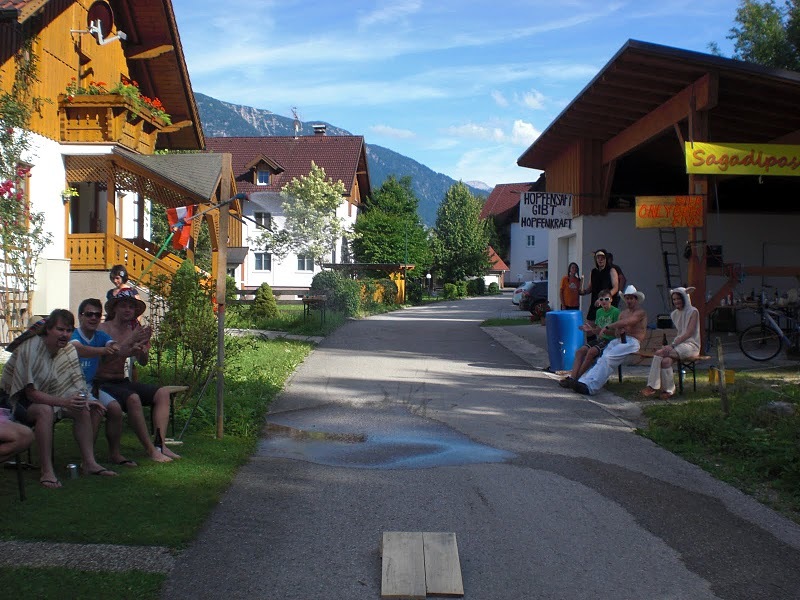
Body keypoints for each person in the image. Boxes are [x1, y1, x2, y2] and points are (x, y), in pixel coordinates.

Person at [0, 309, 117, 487]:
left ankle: (89, 463)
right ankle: (47, 471)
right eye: (60, 329)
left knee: (82, 408)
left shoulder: (68, 349)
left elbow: (75, 381)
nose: (65, 334)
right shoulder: (31, 347)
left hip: (50, 395)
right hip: (15, 400)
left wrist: (86, 400)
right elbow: (31, 393)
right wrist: (64, 402)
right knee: (45, 411)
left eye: (69, 330)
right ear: (48, 329)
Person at [96, 289, 179, 462]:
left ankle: (160, 444)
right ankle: (151, 450)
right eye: (124, 306)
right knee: (133, 398)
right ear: (115, 308)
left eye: (131, 307)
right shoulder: (103, 329)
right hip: (102, 382)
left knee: (162, 392)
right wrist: (131, 339)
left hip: (122, 381)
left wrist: (142, 348)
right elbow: (104, 359)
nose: (128, 310)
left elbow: (143, 362)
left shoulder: (134, 330)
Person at [71, 298, 137, 467]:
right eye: (89, 314)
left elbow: (115, 346)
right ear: (80, 316)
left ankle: (114, 454)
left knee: (115, 408)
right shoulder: (74, 334)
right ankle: (88, 459)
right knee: (95, 409)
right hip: (70, 387)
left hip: (89, 387)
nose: (93, 318)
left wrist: (129, 346)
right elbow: (79, 349)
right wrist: (104, 350)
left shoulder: (100, 336)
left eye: (97, 314)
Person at [574, 285, 648, 396]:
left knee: (608, 358)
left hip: (633, 342)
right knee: (602, 359)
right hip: (620, 340)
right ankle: (584, 381)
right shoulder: (623, 313)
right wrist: (614, 331)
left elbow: (628, 322)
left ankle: (591, 387)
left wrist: (609, 326)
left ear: (636, 299)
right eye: (627, 298)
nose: (629, 301)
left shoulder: (640, 312)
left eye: (631, 298)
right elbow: (616, 332)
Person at [641, 287, 700, 400]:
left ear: (685, 298)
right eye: (674, 299)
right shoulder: (674, 314)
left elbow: (689, 332)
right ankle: (668, 390)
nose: (676, 301)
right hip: (679, 345)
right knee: (665, 361)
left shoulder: (693, 311)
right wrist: (674, 344)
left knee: (659, 353)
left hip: (691, 346)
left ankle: (652, 386)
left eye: (679, 298)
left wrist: (672, 345)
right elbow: (680, 333)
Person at [559, 289, 619, 388]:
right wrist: (591, 330)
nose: (604, 301)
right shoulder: (599, 311)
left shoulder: (616, 312)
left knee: (591, 352)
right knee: (580, 351)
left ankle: (577, 379)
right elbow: (598, 330)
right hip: (601, 339)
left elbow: (616, 334)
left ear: (611, 300)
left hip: (610, 341)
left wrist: (603, 331)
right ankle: (573, 378)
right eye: (601, 299)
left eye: (606, 299)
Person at [578, 249, 619, 329]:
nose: (600, 260)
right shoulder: (593, 271)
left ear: (606, 259)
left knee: (606, 329)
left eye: (602, 258)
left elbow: (615, 288)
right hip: (595, 303)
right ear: (596, 260)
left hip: (607, 303)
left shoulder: (611, 270)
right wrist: (583, 292)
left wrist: (603, 299)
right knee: (589, 328)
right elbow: (590, 288)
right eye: (598, 258)